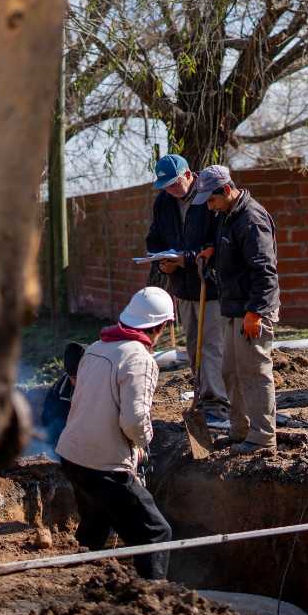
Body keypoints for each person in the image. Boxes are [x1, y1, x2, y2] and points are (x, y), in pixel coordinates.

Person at [55, 287, 175, 579]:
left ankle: (85, 593)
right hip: (103, 466)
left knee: (94, 529)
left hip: (72, 457)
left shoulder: (96, 347)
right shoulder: (140, 360)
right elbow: (134, 420)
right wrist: (144, 442)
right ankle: (154, 602)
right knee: (156, 533)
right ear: (159, 326)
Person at [194, 165, 280, 456]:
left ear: (227, 190)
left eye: (212, 199)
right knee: (230, 371)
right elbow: (236, 252)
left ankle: (263, 437)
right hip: (234, 308)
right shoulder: (227, 216)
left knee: (254, 372)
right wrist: (214, 252)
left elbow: (265, 272)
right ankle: (240, 430)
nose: (210, 206)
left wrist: (255, 312)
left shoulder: (251, 219)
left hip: (251, 311)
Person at [145, 153, 231, 427]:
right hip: (184, 287)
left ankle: (218, 406)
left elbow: (218, 243)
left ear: (188, 174)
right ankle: (204, 401)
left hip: (211, 286)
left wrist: (188, 258)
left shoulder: (207, 197)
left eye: (174, 184)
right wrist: (163, 263)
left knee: (212, 348)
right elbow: (155, 239)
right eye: (165, 186)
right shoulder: (164, 203)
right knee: (193, 348)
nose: (171, 190)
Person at [40, 341, 84, 450]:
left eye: (80, 376)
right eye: (73, 377)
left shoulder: (100, 386)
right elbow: (47, 418)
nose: (77, 381)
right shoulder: (59, 390)